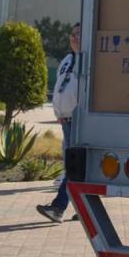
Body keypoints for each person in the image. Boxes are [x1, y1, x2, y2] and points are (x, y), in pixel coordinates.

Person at [37, 23, 81, 223]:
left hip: (80, 120)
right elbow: (59, 87)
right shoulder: (67, 60)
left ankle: (58, 207)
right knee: (78, 167)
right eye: (72, 34)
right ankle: (85, 210)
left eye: (79, 34)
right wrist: (58, 112)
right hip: (66, 119)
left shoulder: (89, 60)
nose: (75, 37)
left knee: (74, 166)